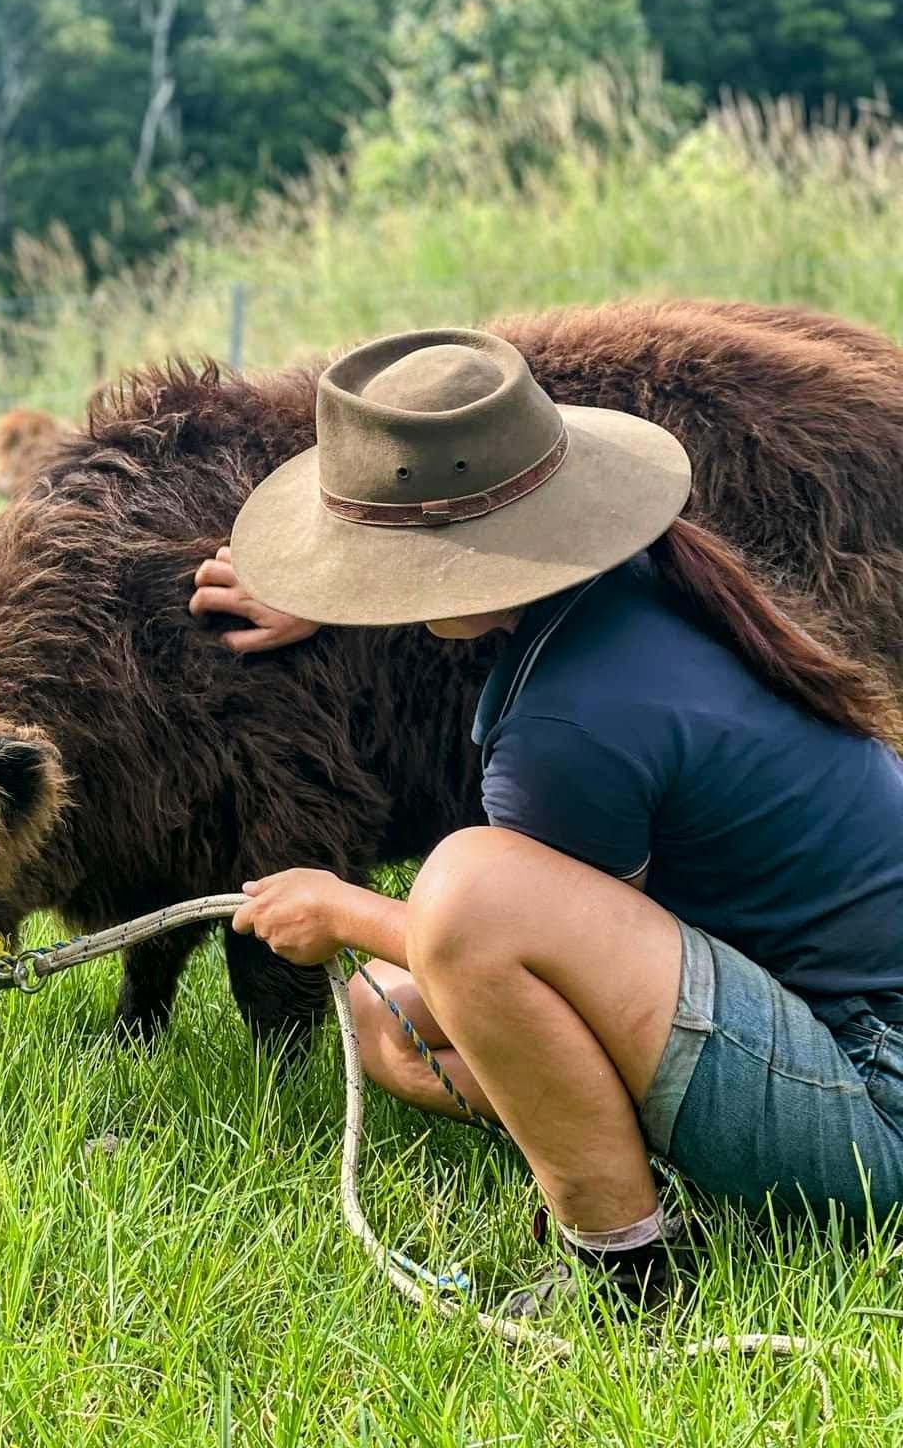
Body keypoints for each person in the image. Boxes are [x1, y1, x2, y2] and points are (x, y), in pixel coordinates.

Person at [188, 327, 903, 1316]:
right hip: (837, 1016)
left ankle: (626, 1273)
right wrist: (331, 603)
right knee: (383, 1020)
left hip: (878, 1095)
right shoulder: (642, 586)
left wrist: (341, 911)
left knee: (470, 896)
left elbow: (502, 942)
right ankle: (675, 1167)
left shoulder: (571, 718)